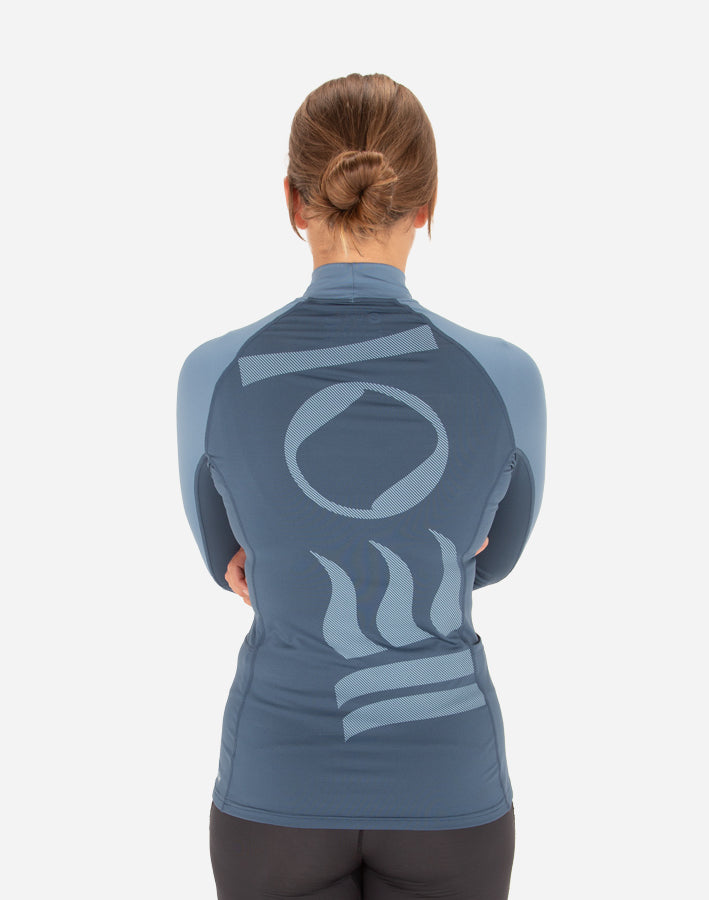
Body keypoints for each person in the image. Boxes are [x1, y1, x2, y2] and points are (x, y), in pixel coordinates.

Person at [176, 72, 546, 900]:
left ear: (292, 201)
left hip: (277, 786)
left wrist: (287, 551)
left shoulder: (212, 373)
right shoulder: (506, 376)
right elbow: (495, 560)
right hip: (448, 786)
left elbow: (227, 560)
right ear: (428, 204)